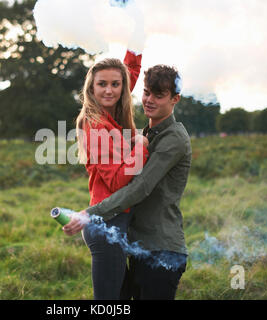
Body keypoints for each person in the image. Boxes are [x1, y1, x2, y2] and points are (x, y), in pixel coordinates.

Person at [64, 64, 192, 300]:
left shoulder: (173, 138)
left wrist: (91, 213)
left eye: (159, 95)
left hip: (161, 249)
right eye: (146, 92)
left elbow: (140, 187)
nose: (149, 100)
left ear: (175, 99)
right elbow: (118, 82)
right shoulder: (145, 134)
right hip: (137, 246)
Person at [63, 50, 149, 300]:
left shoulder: (111, 111)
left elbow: (129, 71)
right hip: (107, 224)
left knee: (122, 298)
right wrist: (141, 145)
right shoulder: (95, 124)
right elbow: (117, 180)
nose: (109, 90)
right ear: (91, 88)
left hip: (118, 220)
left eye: (115, 84)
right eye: (102, 84)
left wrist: (136, 35)